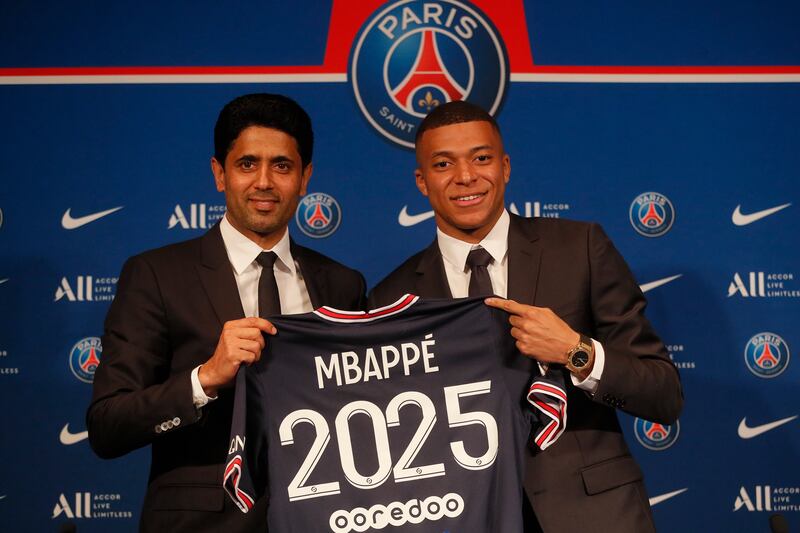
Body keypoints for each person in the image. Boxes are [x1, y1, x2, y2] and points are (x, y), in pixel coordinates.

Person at [368, 100, 683, 533]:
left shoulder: (580, 249)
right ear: (422, 181)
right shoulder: (392, 296)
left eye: (482, 158)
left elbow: (664, 396)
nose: (465, 177)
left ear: (506, 166)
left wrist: (577, 352)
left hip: (592, 516)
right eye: (444, 164)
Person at [87, 93, 366, 532]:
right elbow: (107, 426)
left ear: (305, 177)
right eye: (247, 164)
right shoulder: (157, 275)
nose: (264, 182)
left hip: (323, 517)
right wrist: (206, 378)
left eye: (282, 166)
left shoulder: (344, 285)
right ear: (220, 174)